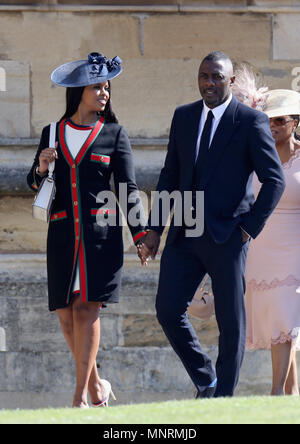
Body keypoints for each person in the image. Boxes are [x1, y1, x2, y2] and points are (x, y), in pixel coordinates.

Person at [138, 51, 285, 398]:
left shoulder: (249, 121)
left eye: (216, 77)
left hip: (229, 236)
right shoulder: (184, 116)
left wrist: (248, 229)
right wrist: (155, 229)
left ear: (231, 80)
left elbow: (273, 180)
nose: (209, 83)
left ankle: (223, 401)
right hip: (185, 231)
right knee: (168, 309)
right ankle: (207, 379)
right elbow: (169, 175)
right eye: (204, 76)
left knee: (231, 324)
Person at [27, 52, 146, 408]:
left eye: (107, 87)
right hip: (62, 237)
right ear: (79, 90)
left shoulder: (114, 134)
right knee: (65, 317)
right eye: (97, 87)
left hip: (101, 239)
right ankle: (97, 385)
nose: (104, 93)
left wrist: (140, 236)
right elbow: (35, 184)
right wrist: (41, 167)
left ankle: (80, 399)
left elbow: (128, 188)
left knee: (85, 310)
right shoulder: (52, 132)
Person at [245, 89, 300, 396]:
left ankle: (276, 391)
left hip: (295, 250)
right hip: (260, 249)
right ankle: (291, 395)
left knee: (285, 315)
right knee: (281, 327)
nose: (274, 126)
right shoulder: (252, 159)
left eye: (281, 120)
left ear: (295, 123)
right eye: (268, 121)